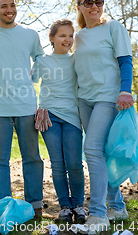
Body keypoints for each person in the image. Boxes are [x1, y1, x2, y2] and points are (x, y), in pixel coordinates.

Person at [0, 0, 44, 218]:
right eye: (4, 6)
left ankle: (35, 203)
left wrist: (33, 77)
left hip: (26, 105)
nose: (9, 9)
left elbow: (41, 57)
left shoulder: (30, 34)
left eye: (12, 5)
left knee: (32, 156)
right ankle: (3, 204)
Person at [74, 0, 134, 234]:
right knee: (101, 153)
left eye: (98, 1)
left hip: (107, 98)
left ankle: (98, 214)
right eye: (88, 2)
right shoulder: (77, 36)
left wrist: (125, 90)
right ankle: (117, 207)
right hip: (84, 99)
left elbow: (125, 60)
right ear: (79, 6)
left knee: (91, 150)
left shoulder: (113, 27)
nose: (94, 6)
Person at [32, 19, 85, 223]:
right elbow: (27, 83)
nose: (68, 39)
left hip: (72, 116)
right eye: (62, 35)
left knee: (74, 163)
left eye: (71, 35)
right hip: (49, 117)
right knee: (57, 163)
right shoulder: (42, 60)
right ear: (52, 38)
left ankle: (78, 205)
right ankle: (64, 207)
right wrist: (37, 108)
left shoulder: (77, 59)